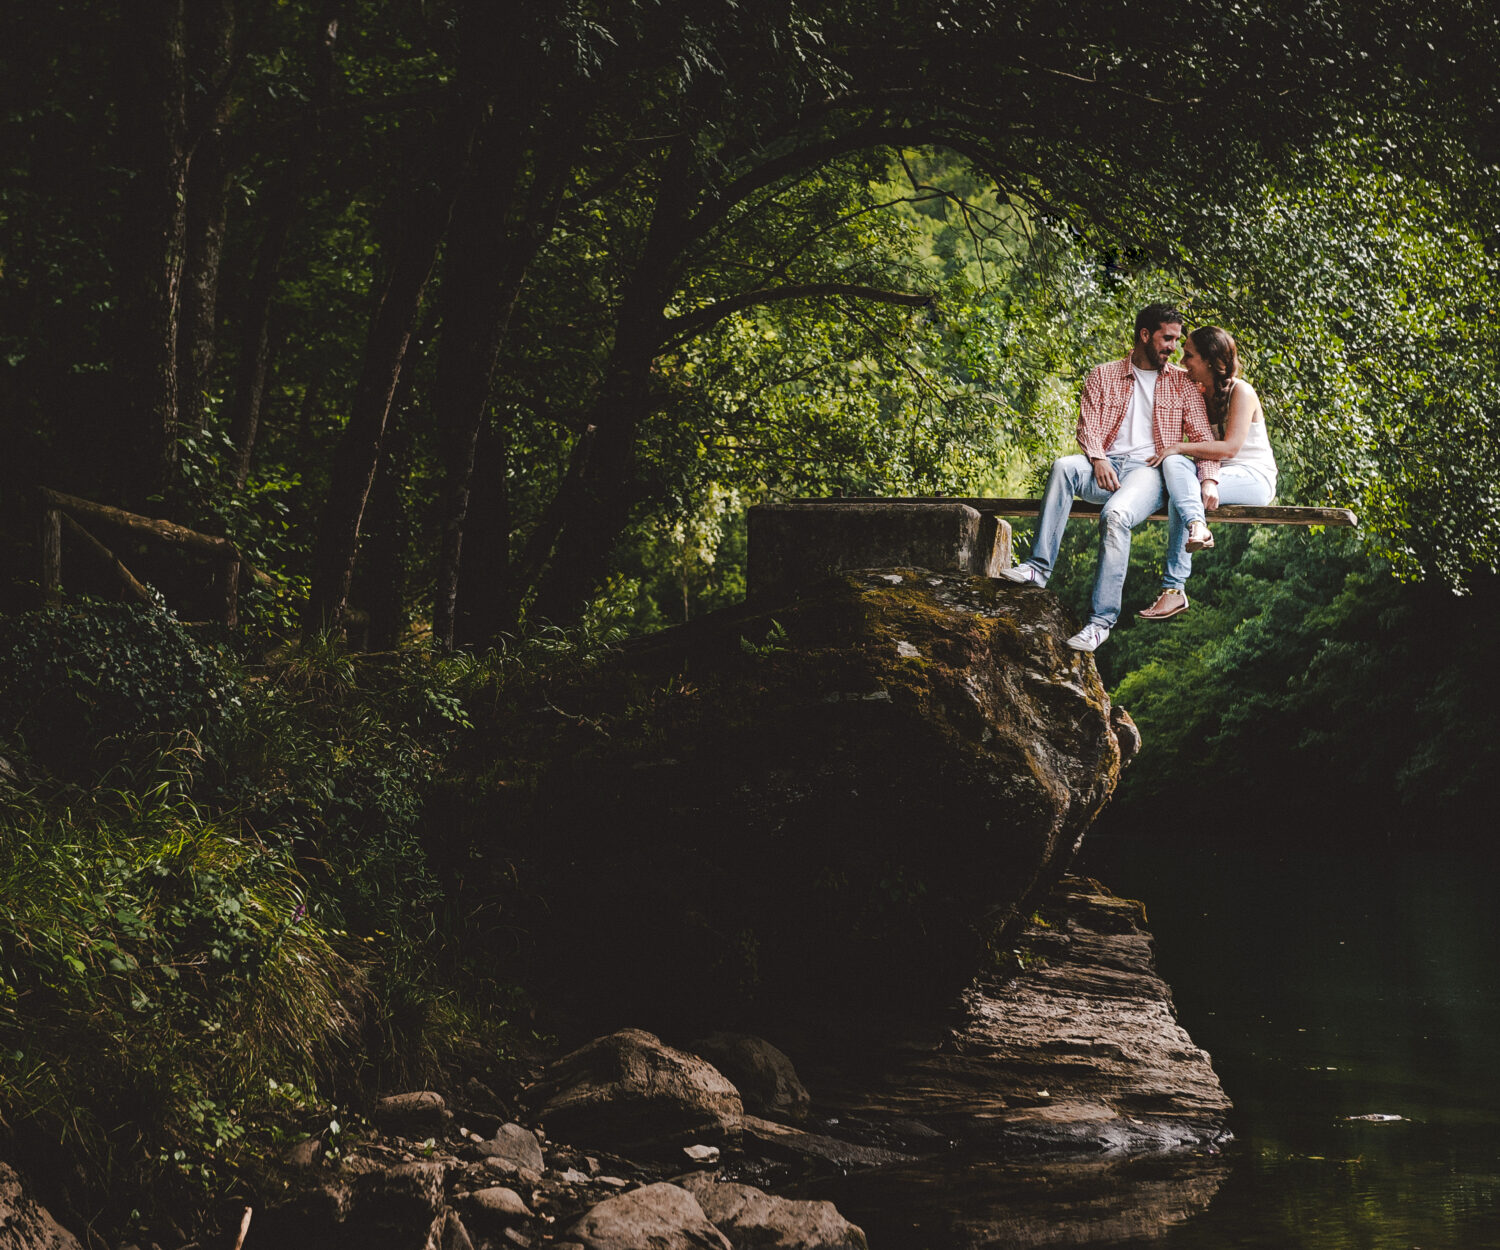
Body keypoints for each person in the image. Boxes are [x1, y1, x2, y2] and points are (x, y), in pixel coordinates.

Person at [1000, 303, 1219, 652]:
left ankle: (1100, 623)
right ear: (1145, 335)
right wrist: (1098, 458)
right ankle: (1038, 568)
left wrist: (1209, 480)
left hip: (1148, 473)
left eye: (1177, 340)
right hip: (1104, 467)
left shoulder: (1182, 383)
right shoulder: (1103, 375)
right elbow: (1088, 426)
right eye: (1167, 338)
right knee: (1062, 467)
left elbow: (1205, 440)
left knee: (1115, 515)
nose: (1173, 347)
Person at [1138, 325, 1278, 619]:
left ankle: (1174, 589)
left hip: (1254, 478)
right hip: (1215, 476)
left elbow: (1229, 449)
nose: (1183, 361)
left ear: (1212, 361)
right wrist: (1203, 473)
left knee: (1180, 483)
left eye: (1189, 356)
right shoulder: (1200, 393)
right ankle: (1197, 527)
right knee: (1174, 464)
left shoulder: (1242, 392)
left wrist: (1183, 450)